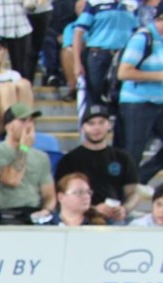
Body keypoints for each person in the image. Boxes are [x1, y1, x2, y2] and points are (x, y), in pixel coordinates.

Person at [56, 105, 140, 223]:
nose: (97, 128)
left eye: (101, 122)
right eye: (91, 123)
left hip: (115, 217)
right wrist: (93, 209)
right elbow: (62, 195)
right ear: (83, 127)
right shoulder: (69, 159)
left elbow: (133, 192)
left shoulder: (123, 158)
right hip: (81, 217)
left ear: (109, 125)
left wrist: (124, 209)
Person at [0, 103, 57, 224]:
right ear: (8, 126)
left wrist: (46, 210)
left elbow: (49, 195)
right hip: (7, 214)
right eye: (23, 120)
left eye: (31, 121)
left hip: (35, 214)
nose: (28, 125)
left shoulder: (42, 157)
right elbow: (12, 180)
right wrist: (24, 148)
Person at [116, 11, 163, 182]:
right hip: (137, 102)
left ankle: (139, 179)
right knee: (134, 151)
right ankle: (126, 188)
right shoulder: (143, 38)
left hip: (159, 101)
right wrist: (158, 76)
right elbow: (123, 72)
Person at [73, 0, 138, 111]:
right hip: (98, 54)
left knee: (120, 95)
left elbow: (136, 31)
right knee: (96, 94)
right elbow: (79, 32)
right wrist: (77, 62)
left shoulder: (132, 4)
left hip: (123, 57)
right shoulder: (94, 2)